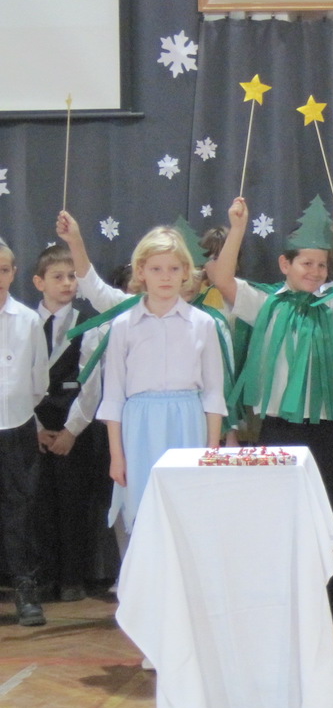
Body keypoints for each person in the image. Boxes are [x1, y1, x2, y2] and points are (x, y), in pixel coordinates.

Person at [206, 194, 333, 623]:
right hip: (280, 424)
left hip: (328, 425)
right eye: (306, 264)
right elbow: (221, 277)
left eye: (322, 265)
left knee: (330, 509)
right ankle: (281, 598)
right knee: (279, 510)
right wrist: (237, 228)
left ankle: (332, 598)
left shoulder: (332, 306)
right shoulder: (265, 303)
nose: (315, 272)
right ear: (285, 264)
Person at [98, 227, 226, 539]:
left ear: (186, 272)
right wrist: (117, 456)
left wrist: (212, 449)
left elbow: (213, 392)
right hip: (140, 427)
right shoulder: (123, 325)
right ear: (141, 272)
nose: (165, 277)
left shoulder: (204, 324)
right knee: (144, 515)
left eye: (173, 269)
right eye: (156, 269)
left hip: (187, 423)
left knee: (187, 516)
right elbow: (113, 396)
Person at [31, 243, 108, 603]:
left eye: (72, 277)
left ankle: (72, 577)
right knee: (37, 504)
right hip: (32, 426)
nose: (67, 284)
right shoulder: (23, 323)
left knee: (74, 502)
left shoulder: (88, 326)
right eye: (58, 277)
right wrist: (34, 427)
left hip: (73, 428)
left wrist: (71, 430)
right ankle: (43, 577)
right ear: (39, 282)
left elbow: (91, 384)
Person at [0, 236, 50, 626]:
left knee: (20, 510)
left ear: (14, 273)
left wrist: (18, 410)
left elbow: (38, 381)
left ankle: (25, 587)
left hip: (16, 426)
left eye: (3, 270)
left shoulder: (28, 320)